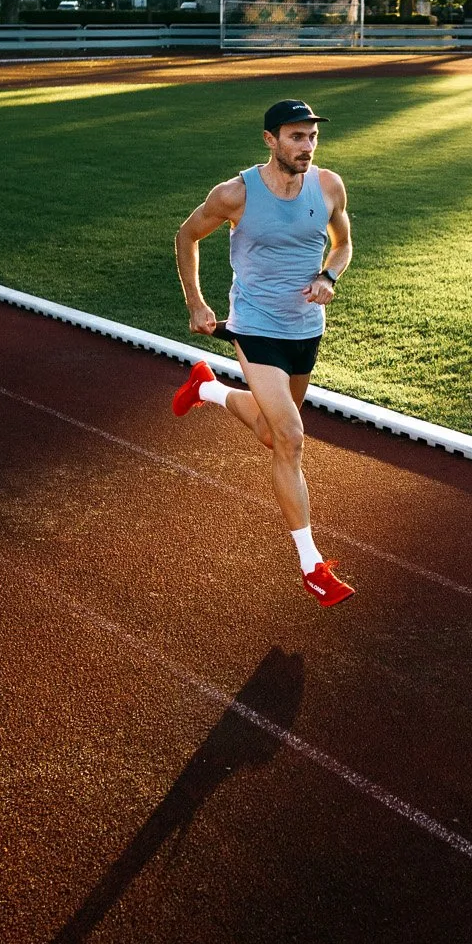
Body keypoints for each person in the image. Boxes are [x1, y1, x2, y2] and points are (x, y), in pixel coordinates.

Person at [170, 99, 356, 605]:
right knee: (292, 438)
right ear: (270, 140)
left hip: (305, 326)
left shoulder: (328, 185)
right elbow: (187, 235)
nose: (307, 147)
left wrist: (327, 274)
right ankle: (312, 565)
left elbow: (343, 244)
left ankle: (206, 387)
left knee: (272, 436)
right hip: (255, 324)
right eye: (296, 137)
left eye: (312, 137)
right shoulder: (235, 194)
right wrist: (197, 303)